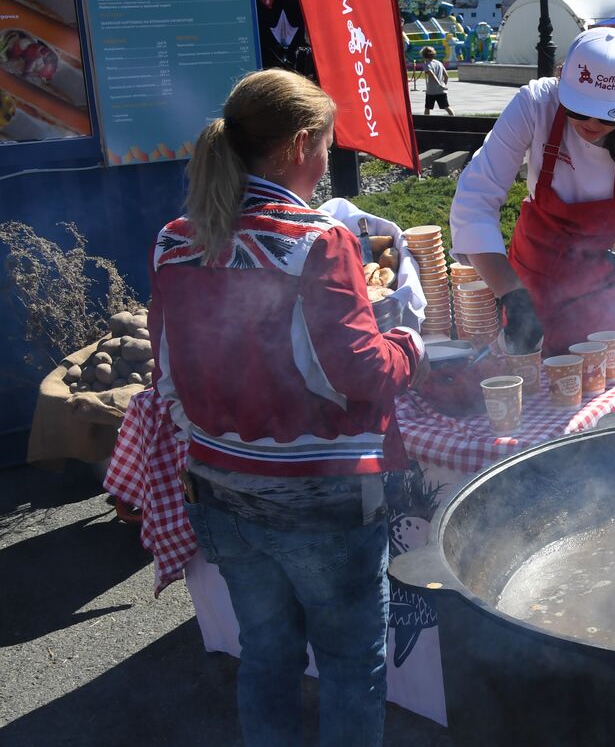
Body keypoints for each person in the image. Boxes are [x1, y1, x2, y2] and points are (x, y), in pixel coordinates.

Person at [149, 69, 427, 747]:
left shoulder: (175, 239)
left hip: (218, 492)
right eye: (328, 143)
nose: (329, 157)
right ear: (302, 145)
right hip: (320, 503)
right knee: (348, 663)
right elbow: (363, 374)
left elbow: (165, 376)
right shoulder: (318, 241)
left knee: (266, 656)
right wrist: (410, 331)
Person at [450, 27, 615, 364]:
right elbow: (475, 201)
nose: (589, 123)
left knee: (607, 411)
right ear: (562, 82)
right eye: (577, 109)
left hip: (610, 304)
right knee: (526, 396)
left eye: (607, 116)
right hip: (530, 285)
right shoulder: (536, 104)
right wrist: (511, 295)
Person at [421, 45, 452, 115]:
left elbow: (432, 75)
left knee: (427, 108)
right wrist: (443, 85)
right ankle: (454, 119)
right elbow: (446, 76)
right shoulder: (439, 63)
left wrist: (439, 84)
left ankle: (426, 123)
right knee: (447, 107)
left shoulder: (427, 64)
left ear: (424, 55)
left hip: (431, 91)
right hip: (441, 91)